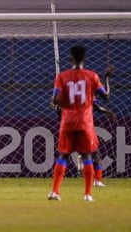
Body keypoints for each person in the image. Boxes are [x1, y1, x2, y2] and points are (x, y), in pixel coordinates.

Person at [49, 45, 110, 201]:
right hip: (85, 121)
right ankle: (88, 195)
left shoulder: (62, 77)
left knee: (63, 155)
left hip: (67, 121)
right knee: (87, 155)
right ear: (84, 59)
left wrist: (65, 101)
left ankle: (55, 192)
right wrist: (107, 78)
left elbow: (55, 100)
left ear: (70, 58)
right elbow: (106, 96)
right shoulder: (92, 76)